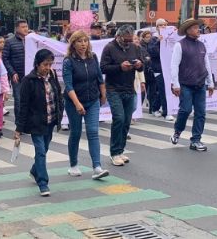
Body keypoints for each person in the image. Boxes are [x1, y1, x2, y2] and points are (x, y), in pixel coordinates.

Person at [15, 48, 64, 197]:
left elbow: (57, 97)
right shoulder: (28, 81)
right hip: (36, 122)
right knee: (41, 151)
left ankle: (35, 170)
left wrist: (59, 115)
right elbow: (23, 106)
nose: (47, 68)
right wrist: (19, 128)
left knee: (45, 149)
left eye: (50, 64)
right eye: (45, 64)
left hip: (50, 120)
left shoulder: (53, 75)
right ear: (37, 64)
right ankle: (43, 182)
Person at [63, 31, 109, 179]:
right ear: (73, 44)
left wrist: (103, 94)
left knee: (93, 132)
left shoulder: (93, 57)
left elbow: (99, 77)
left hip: (93, 100)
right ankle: (73, 165)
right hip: (74, 102)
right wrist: (77, 104)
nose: (83, 44)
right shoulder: (68, 61)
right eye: (79, 41)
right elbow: (68, 86)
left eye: (85, 41)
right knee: (76, 133)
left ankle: (97, 167)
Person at [169, 18, 215, 151]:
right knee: (186, 110)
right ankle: (178, 131)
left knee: (201, 113)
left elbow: (207, 65)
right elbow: (174, 66)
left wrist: (210, 83)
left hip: (200, 84)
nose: (198, 30)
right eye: (195, 28)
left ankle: (196, 140)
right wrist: (175, 84)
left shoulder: (202, 45)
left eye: (198, 27)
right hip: (185, 84)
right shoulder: (180, 45)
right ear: (188, 30)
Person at [100, 24, 143, 166]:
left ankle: (120, 150)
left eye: (131, 40)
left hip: (130, 89)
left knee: (126, 121)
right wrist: (120, 67)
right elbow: (103, 68)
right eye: (126, 40)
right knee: (119, 118)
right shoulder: (109, 48)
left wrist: (138, 65)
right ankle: (114, 152)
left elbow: (143, 64)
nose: (128, 42)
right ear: (118, 37)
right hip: (114, 89)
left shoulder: (134, 48)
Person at [1, 19, 29, 118]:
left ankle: (28, 122)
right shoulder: (9, 42)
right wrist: (12, 72)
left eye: (26, 26)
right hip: (17, 76)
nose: (26, 29)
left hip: (30, 75)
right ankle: (19, 123)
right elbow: (5, 59)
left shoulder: (31, 40)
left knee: (30, 100)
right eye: (23, 27)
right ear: (17, 28)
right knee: (18, 100)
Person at [147, 18, 172, 121]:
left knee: (165, 89)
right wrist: (159, 41)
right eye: (161, 25)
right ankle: (166, 112)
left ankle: (155, 107)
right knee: (163, 89)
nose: (163, 27)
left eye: (165, 25)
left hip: (168, 67)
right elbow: (153, 52)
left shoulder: (169, 38)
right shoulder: (154, 39)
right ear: (157, 27)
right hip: (158, 68)